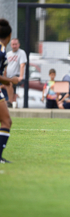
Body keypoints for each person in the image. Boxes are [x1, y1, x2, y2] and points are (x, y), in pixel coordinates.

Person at [0, 19, 19, 163]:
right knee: (6, 121)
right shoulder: (1, 51)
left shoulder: (2, 50)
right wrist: (11, 80)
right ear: (10, 35)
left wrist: (8, 80)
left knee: (6, 121)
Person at [4, 38, 27, 107]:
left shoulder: (21, 53)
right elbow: (5, 67)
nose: (14, 46)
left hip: (17, 75)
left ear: (19, 45)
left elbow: (22, 65)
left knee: (10, 83)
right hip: (9, 76)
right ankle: (13, 102)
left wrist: (21, 76)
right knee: (10, 87)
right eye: (13, 44)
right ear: (11, 45)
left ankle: (10, 102)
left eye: (16, 44)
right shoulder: (8, 54)